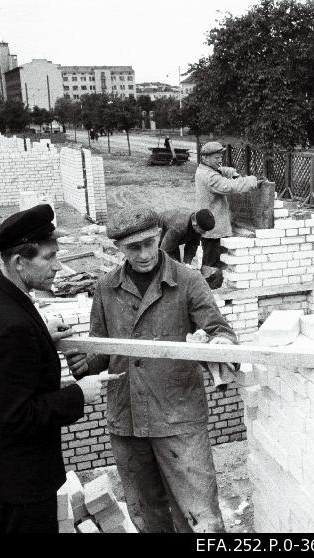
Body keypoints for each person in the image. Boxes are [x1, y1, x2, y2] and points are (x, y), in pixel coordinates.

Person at [64, 207, 237, 533]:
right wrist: (84, 363)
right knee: (148, 517)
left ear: (160, 236)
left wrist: (219, 345)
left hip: (178, 419)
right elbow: (102, 351)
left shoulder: (188, 281)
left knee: (202, 519)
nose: (144, 254)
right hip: (128, 421)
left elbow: (220, 331)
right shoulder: (106, 288)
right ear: (119, 248)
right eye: (133, 248)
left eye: (149, 243)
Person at [0, 204, 118, 533]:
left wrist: (39, 336)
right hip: (20, 479)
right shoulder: (13, 327)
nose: (59, 266)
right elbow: (17, 417)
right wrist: (78, 394)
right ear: (19, 261)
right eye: (48, 257)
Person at [195, 141, 262, 269]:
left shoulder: (203, 169)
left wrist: (231, 172)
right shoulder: (210, 177)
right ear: (205, 158)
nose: (219, 160)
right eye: (216, 158)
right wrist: (251, 181)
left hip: (209, 225)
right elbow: (230, 186)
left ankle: (211, 284)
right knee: (211, 266)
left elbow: (219, 170)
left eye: (220, 157)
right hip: (213, 230)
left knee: (212, 262)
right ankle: (209, 287)